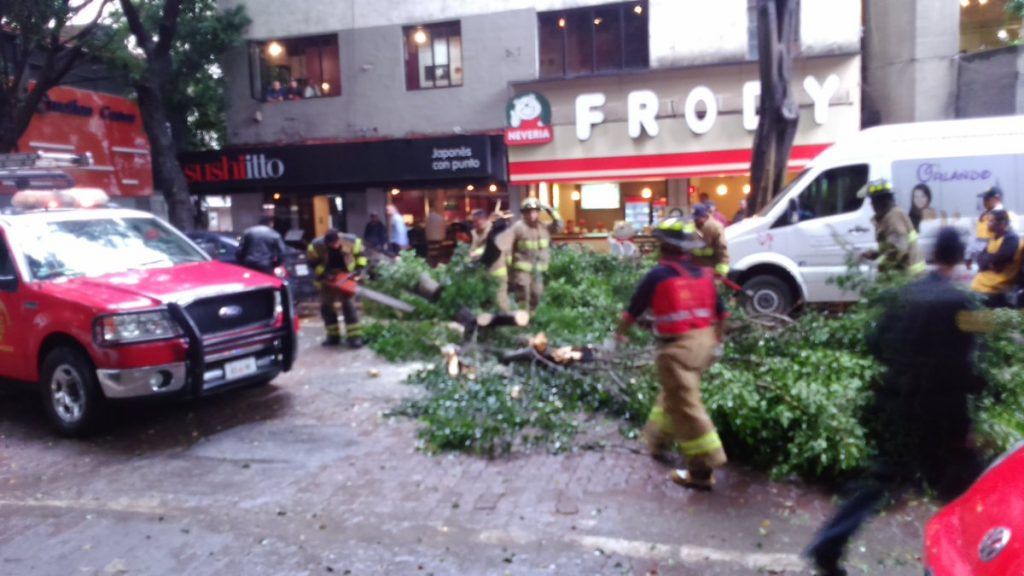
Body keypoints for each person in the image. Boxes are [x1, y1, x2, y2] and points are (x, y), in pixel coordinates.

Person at [804, 228, 988, 575]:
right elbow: (964, 368)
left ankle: (828, 545)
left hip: (897, 404)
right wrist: (966, 424)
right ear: (961, 258)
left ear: (933, 255)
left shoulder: (906, 295)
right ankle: (970, 561)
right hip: (939, 415)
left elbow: (875, 342)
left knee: (881, 480)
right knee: (970, 489)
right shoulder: (961, 303)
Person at [615, 217, 728, 491]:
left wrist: (619, 334)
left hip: (678, 350)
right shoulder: (705, 274)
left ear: (663, 246)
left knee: (687, 406)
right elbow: (723, 313)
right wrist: (717, 340)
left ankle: (702, 470)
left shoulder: (657, 276)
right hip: (705, 344)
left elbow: (632, 310)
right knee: (672, 393)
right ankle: (657, 441)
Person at [497, 198, 563, 311]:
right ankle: (522, 315)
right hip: (521, 270)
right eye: (528, 212)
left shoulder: (544, 227)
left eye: (535, 212)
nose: (532, 215)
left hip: (538, 270)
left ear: (538, 213)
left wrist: (550, 210)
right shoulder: (518, 227)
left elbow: (559, 226)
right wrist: (507, 267)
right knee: (523, 295)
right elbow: (506, 245)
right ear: (523, 213)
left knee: (537, 294)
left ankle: (532, 316)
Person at [307, 229, 369, 348]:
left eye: (336, 243)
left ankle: (355, 338)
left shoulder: (352, 241)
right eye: (331, 245)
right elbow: (312, 263)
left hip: (347, 277)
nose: (334, 246)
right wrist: (325, 273)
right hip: (327, 280)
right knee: (326, 307)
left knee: (348, 305)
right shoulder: (316, 246)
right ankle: (333, 337)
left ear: (339, 240)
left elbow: (361, 256)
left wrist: (359, 269)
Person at [859, 179, 924, 275]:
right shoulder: (888, 217)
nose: (872, 205)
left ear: (881, 201)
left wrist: (881, 265)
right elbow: (891, 246)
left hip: (908, 276)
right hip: (904, 274)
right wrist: (875, 254)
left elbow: (899, 249)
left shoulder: (894, 217)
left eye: (873, 201)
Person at [970, 209, 1020, 308]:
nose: (988, 224)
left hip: (996, 288)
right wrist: (990, 263)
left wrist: (989, 261)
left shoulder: (1011, 239)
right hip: (982, 284)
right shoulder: (993, 238)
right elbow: (980, 259)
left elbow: (997, 259)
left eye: (991, 221)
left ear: (1002, 224)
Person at [469, 209, 511, 312]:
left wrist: (475, 254)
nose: (475, 224)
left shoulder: (494, 231)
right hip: (482, 273)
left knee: (500, 302)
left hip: (497, 271)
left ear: (484, 220)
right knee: (487, 303)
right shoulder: (474, 233)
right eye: (474, 222)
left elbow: (490, 249)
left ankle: (507, 319)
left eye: (478, 221)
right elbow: (472, 250)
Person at [691, 204, 730, 276]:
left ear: (704, 216)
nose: (695, 221)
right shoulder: (694, 226)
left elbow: (722, 247)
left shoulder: (715, 227)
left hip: (711, 267)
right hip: (697, 268)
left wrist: (722, 269)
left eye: (697, 219)